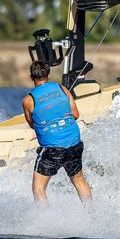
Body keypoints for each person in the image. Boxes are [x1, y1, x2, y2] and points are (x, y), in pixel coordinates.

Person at [22, 61, 92, 204]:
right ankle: (93, 215)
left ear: (31, 77)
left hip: (52, 148)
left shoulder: (28, 100)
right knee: (78, 180)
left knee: (38, 187)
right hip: (74, 142)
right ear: (48, 75)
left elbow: (32, 124)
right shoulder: (62, 88)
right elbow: (76, 114)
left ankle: (45, 222)